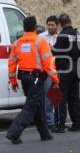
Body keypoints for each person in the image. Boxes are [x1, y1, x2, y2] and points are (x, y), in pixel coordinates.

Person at [6, 16, 59, 144]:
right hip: (36, 79)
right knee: (31, 106)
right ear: (35, 28)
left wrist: (13, 81)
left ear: (24, 28)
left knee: (36, 104)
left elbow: (11, 64)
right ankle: (14, 133)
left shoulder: (17, 43)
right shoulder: (40, 42)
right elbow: (49, 63)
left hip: (24, 78)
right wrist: (55, 80)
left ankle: (45, 134)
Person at [52, 13, 80, 133]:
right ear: (70, 21)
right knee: (75, 97)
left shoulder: (62, 36)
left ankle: (61, 125)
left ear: (60, 24)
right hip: (75, 68)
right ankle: (77, 124)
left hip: (65, 69)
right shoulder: (79, 35)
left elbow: (55, 52)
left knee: (61, 97)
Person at [39, 16, 59, 131]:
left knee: (56, 96)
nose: (50, 27)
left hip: (58, 70)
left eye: (52, 25)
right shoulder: (41, 37)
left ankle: (57, 121)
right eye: (49, 25)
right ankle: (49, 121)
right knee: (48, 97)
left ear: (57, 26)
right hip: (46, 71)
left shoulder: (61, 37)